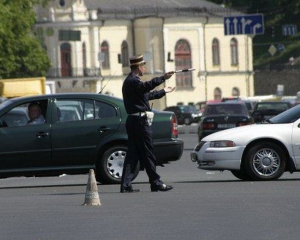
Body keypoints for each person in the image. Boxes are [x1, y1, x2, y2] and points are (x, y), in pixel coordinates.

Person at [121, 54, 176, 193]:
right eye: (143, 65)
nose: (144, 68)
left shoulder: (131, 81)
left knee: (133, 154)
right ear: (139, 67)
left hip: (134, 121)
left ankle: (126, 185)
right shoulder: (133, 81)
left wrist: (164, 91)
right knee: (148, 152)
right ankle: (155, 182)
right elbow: (147, 86)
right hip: (140, 122)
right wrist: (163, 78)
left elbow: (148, 95)